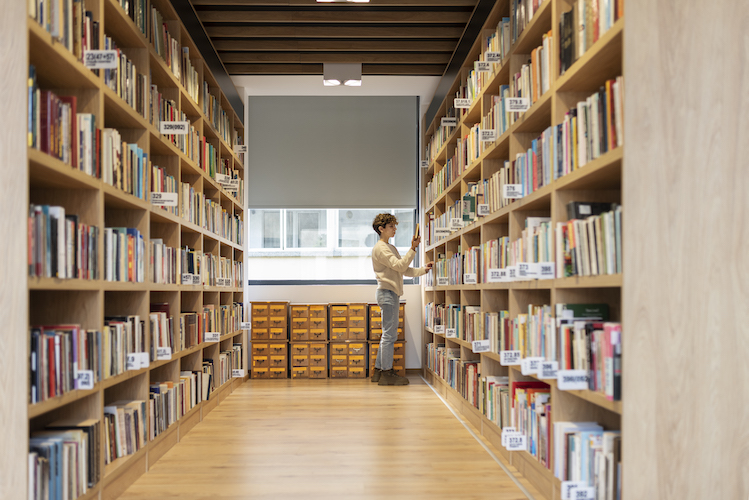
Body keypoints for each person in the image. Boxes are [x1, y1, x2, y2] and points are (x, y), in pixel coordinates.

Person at [370, 213, 433, 386]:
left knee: (387, 334)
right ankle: (386, 373)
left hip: (390, 293)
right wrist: (413, 249)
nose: (395, 229)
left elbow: (403, 270)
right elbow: (400, 266)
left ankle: (378, 372)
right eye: (391, 226)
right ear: (381, 229)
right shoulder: (381, 248)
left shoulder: (390, 248)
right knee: (389, 335)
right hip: (387, 293)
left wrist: (423, 270)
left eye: (395, 226)